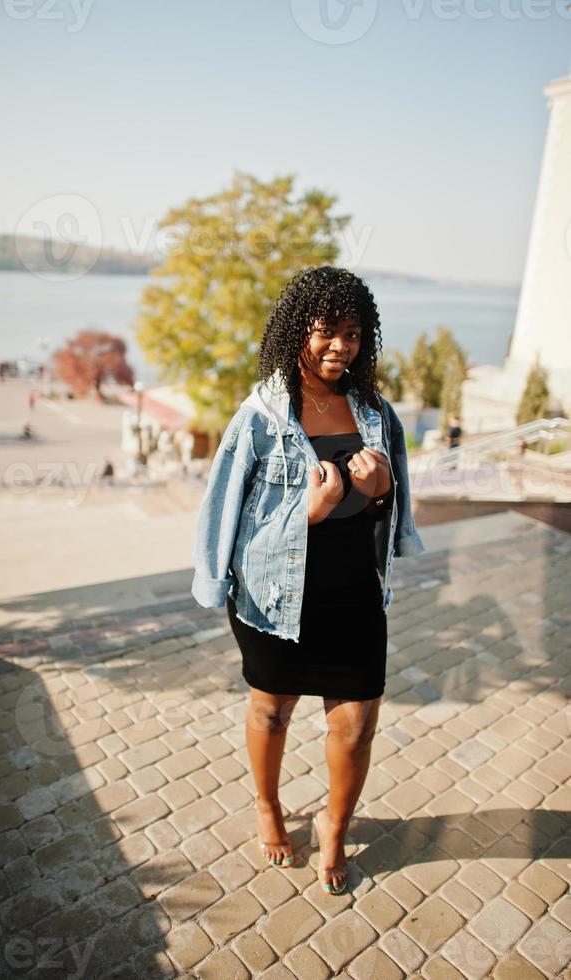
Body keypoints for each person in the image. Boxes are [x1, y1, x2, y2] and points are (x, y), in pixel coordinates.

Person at [191, 266, 425, 895]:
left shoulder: (374, 407)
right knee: (271, 710)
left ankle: (334, 823)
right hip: (272, 594)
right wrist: (307, 513)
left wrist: (379, 493)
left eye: (353, 334)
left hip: (352, 591)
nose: (339, 347)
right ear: (299, 329)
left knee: (356, 722)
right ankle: (269, 808)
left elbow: (390, 498)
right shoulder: (261, 415)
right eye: (326, 331)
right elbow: (223, 508)